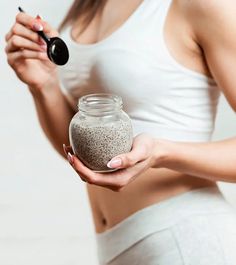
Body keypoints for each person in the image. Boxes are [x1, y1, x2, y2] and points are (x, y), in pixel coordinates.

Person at [5, 0, 236, 264]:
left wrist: (160, 152)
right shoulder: (89, 6)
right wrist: (44, 85)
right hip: (115, 246)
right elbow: (85, 152)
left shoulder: (202, 4)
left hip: (186, 237)